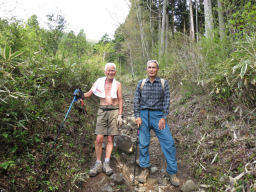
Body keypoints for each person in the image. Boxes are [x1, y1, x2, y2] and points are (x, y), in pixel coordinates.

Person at [133, 60, 180, 186]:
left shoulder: (164, 83)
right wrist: (137, 116)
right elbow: (136, 100)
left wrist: (164, 117)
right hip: (143, 116)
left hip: (158, 116)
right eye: (149, 67)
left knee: (169, 142)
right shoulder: (141, 83)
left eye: (154, 67)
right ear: (146, 69)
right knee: (143, 143)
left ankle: (172, 172)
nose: (151, 69)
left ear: (157, 69)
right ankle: (144, 169)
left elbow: (167, 100)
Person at [81, 62, 123, 177]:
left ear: (115, 72)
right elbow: (89, 94)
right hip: (102, 110)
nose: (110, 72)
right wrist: (80, 94)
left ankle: (107, 163)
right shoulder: (99, 82)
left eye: (112, 70)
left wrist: (120, 114)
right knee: (99, 139)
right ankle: (98, 163)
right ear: (105, 72)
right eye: (108, 70)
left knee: (110, 139)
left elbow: (120, 99)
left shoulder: (118, 84)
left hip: (114, 111)